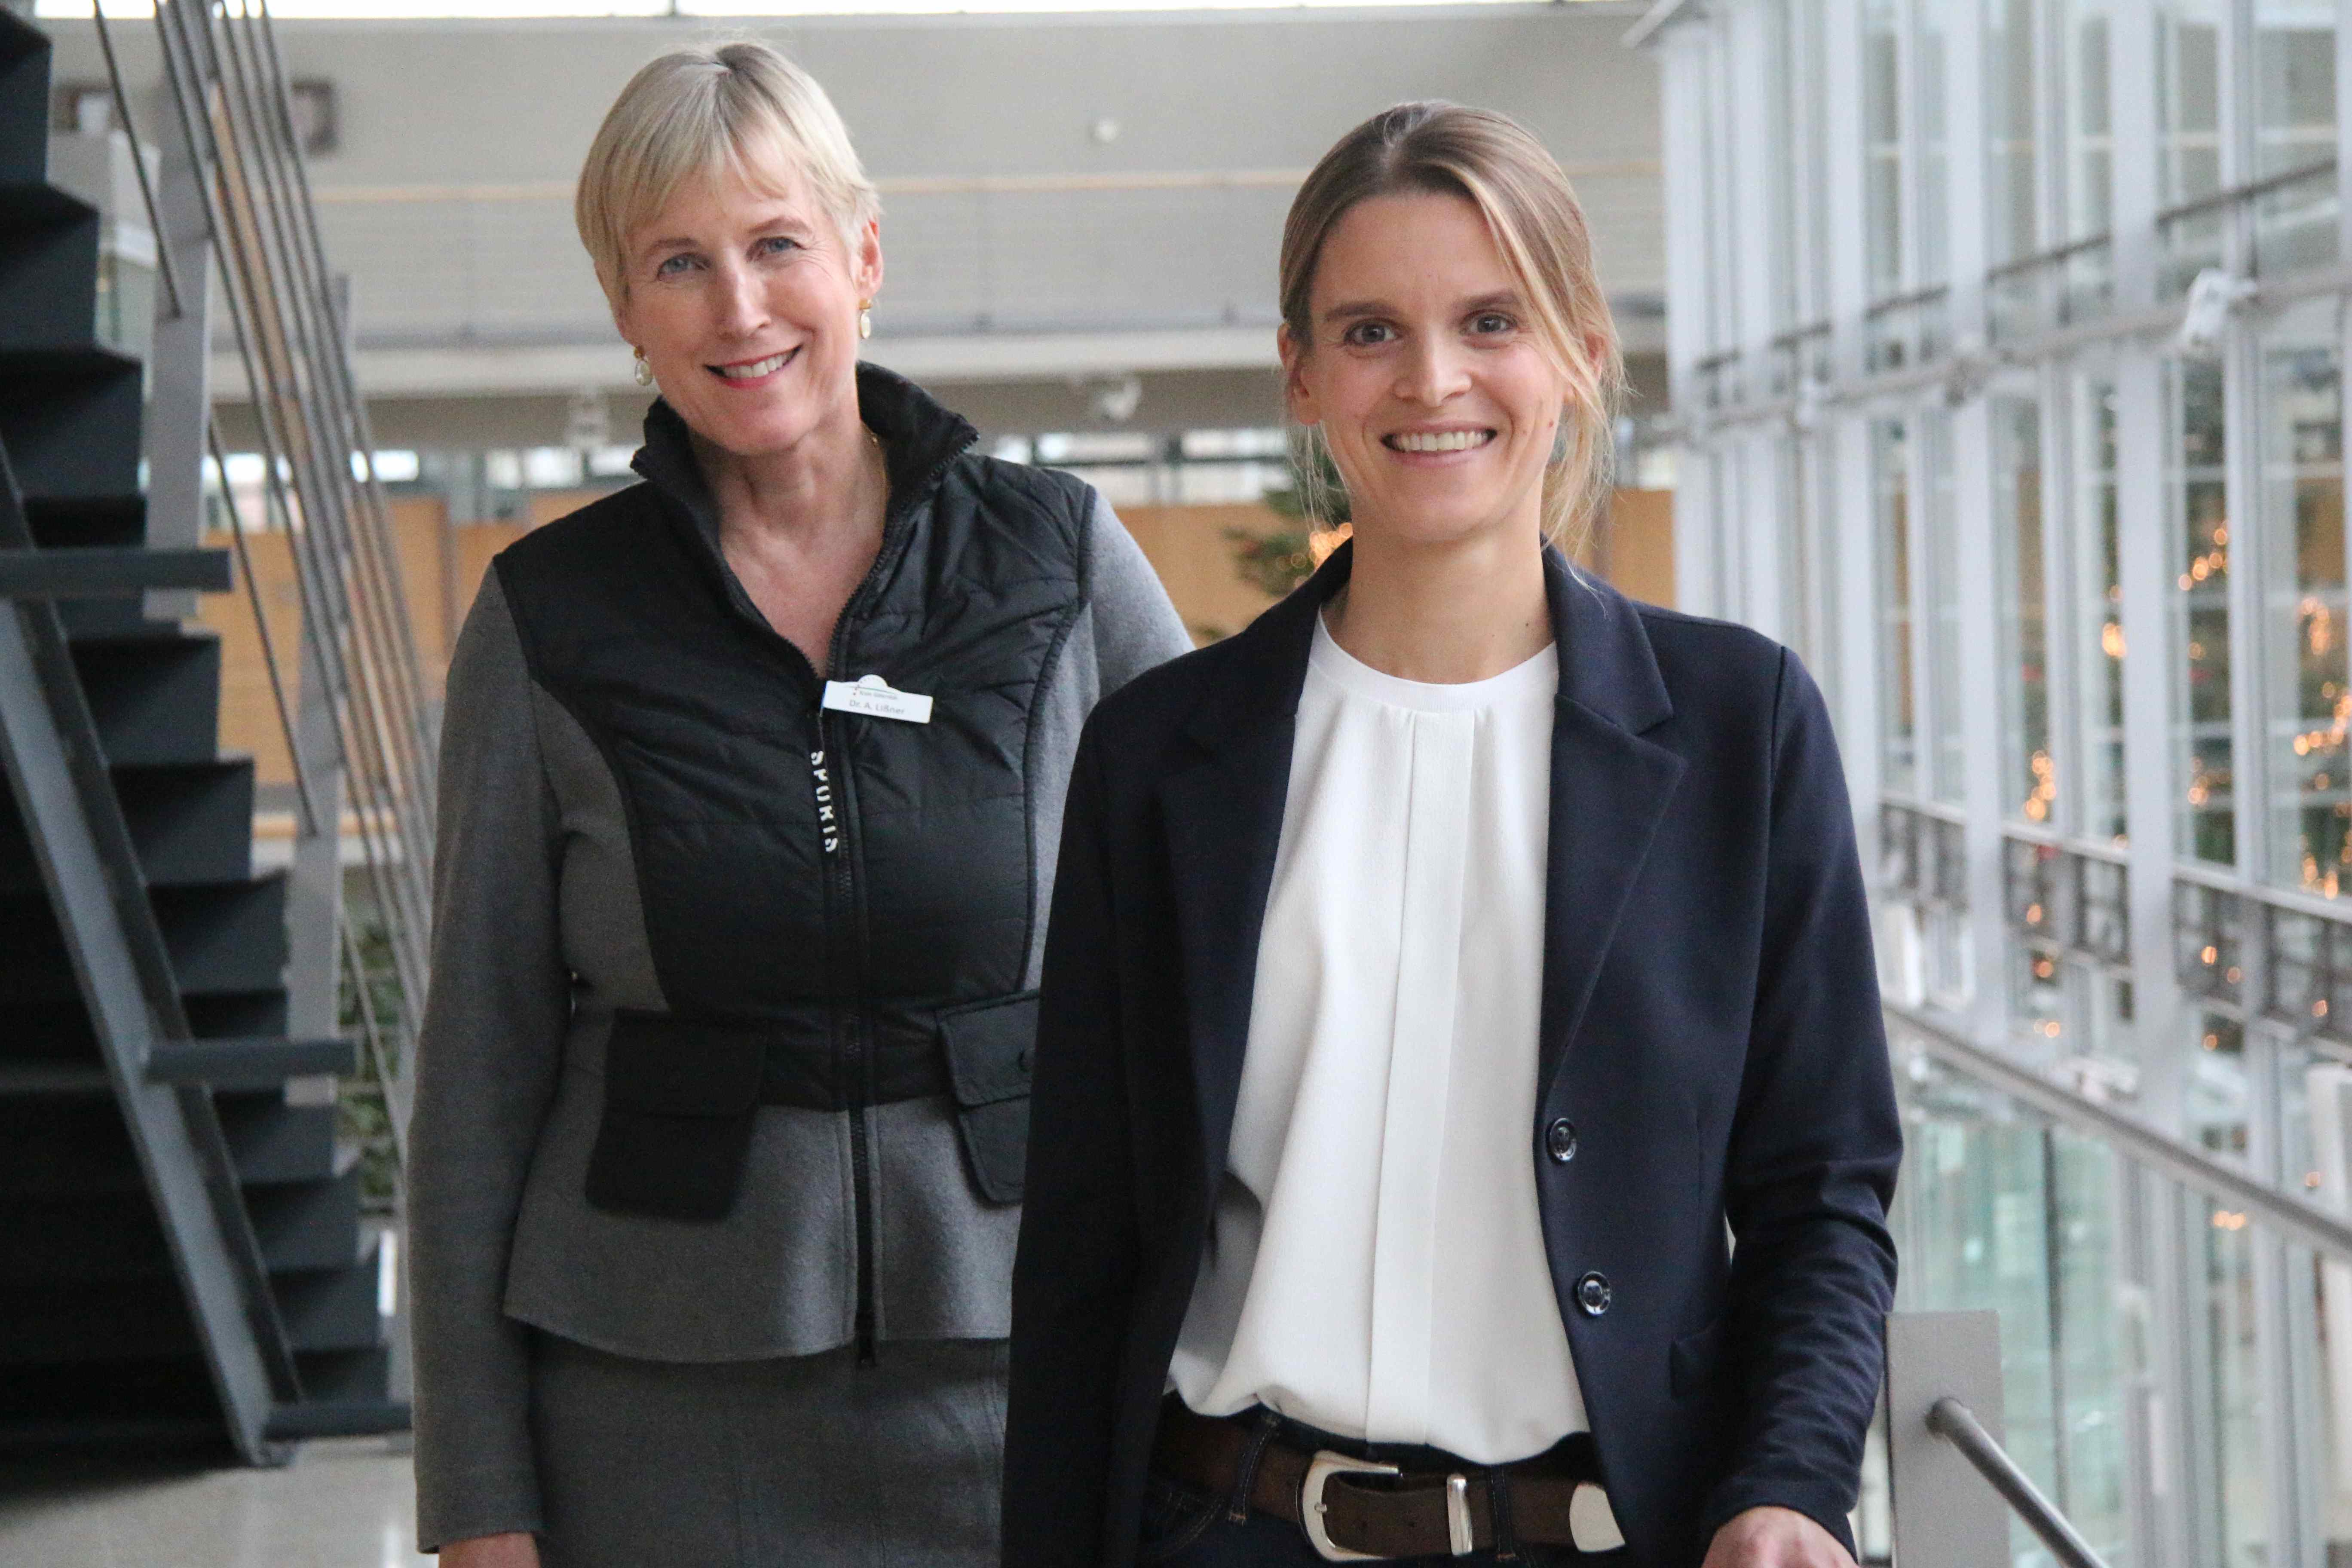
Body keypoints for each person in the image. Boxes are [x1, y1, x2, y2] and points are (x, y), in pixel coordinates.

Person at [1002, 101, 1901, 1568]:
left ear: (1579, 352)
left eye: (1492, 320)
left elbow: (1822, 1191)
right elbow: (1083, 1255)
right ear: (1300, 373)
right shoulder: (1162, 758)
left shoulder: (1743, 727)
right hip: (1217, 1529)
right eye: (1369, 332)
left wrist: (1793, 1486)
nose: (1433, 381)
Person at [407, 41, 1191, 1568]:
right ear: (625, 313)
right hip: (652, 1412)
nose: (741, 308)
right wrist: (478, 1501)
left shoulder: (1058, 562)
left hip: (1030, 1372)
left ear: (866, 255)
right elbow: (477, 1076)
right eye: (679, 264)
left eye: (778, 245)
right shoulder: (548, 616)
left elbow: (1217, 958)